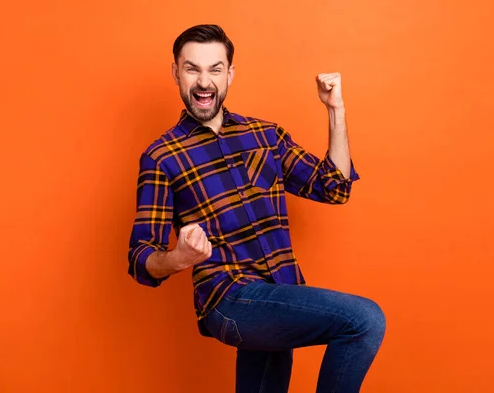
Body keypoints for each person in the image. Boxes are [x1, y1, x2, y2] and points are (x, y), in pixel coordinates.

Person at [127, 24, 385, 393]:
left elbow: (334, 187)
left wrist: (336, 110)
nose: (204, 81)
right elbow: (141, 258)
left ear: (230, 73)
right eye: (192, 69)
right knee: (364, 319)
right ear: (176, 73)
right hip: (230, 300)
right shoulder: (161, 157)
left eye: (215, 69)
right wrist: (178, 257)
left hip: (281, 292)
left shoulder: (265, 136)